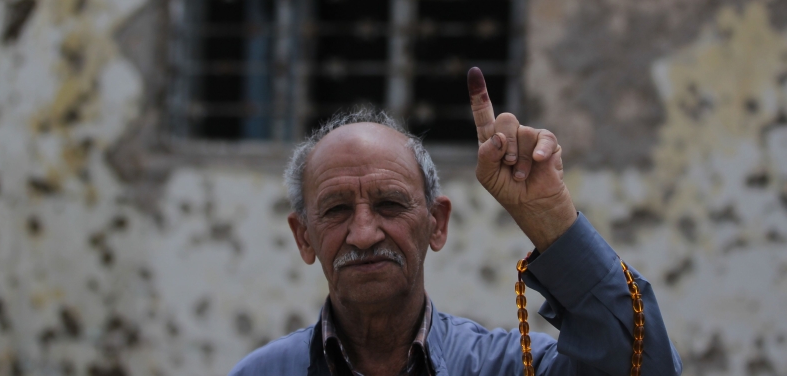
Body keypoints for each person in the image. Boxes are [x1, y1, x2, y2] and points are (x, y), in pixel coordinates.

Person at [230, 68, 682, 375]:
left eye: (389, 204)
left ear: (437, 223)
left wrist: (550, 218)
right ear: (303, 237)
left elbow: (645, 366)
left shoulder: (511, 367)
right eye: (336, 210)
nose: (364, 234)